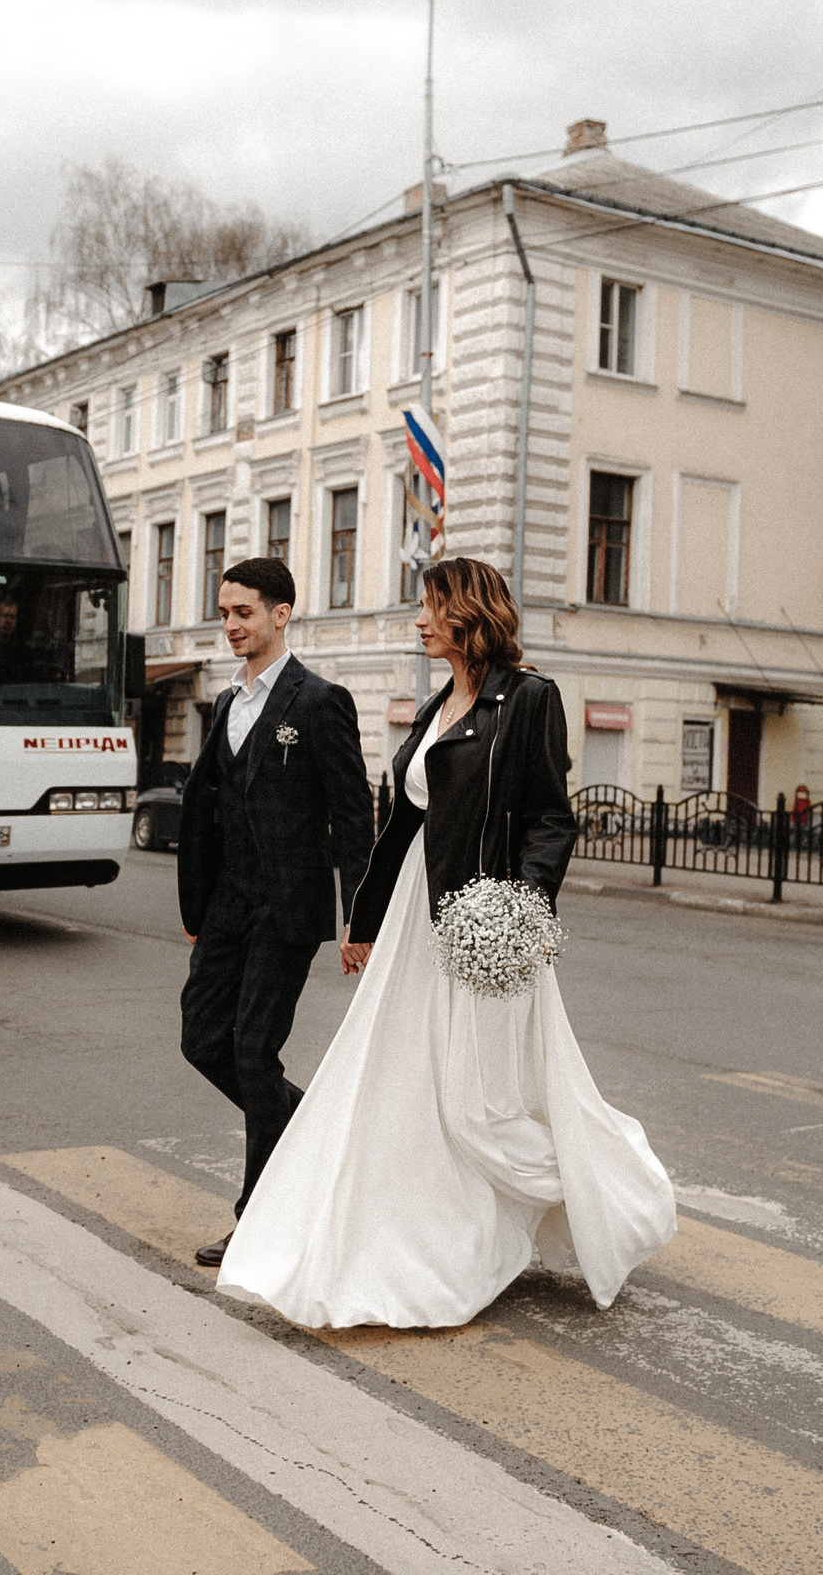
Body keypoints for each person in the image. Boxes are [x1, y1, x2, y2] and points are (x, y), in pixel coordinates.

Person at [216, 556, 679, 1329]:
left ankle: (607, 1189)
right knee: (400, 1083)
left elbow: (550, 817)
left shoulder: (529, 698)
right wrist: (362, 922)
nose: (420, 622)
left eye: (431, 608)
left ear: (468, 612)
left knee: (480, 1101)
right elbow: (403, 825)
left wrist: (518, 907)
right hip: (412, 922)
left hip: (482, 920)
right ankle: (417, 1236)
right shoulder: (440, 701)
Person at [177, 556, 374, 1269]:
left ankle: (257, 1219)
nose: (230, 625)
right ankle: (306, 1129)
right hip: (228, 907)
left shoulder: (319, 702)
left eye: (243, 612)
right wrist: (198, 904)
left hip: (287, 909)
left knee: (254, 1052)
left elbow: (355, 818)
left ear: (280, 614)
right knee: (203, 1041)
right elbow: (208, 807)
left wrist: (362, 914)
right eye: (224, 613)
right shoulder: (228, 703)